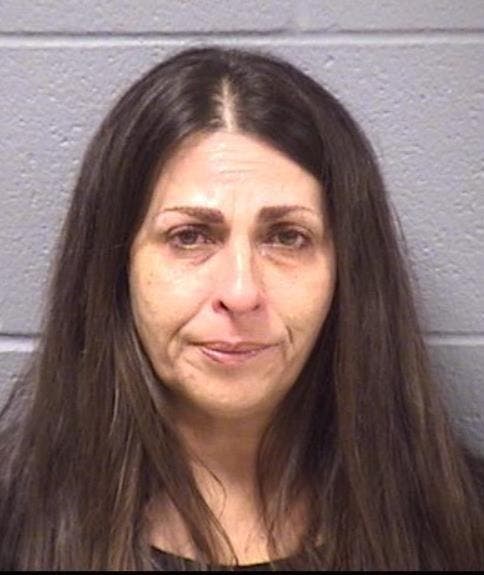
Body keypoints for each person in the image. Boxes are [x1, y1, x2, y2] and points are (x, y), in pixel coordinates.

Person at [0, 46, 483, 572]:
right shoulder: (14, 519)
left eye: (287, 237)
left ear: (348, 271)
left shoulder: (461, 523)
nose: (241, 291)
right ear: (117, 267)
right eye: (189, 236)